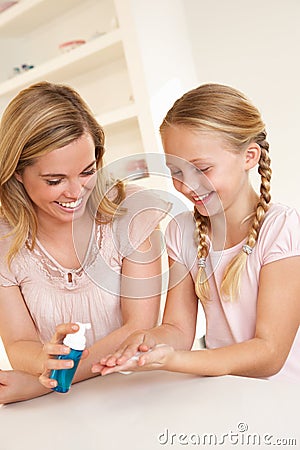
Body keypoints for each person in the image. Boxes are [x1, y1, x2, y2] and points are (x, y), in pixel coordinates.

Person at [96, 83, 300, 381]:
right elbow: (177, 329)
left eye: (202, 169)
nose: (187, 185)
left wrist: (176, 360)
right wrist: (149, 343)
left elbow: (269, 354)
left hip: (284, 401)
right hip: (228, 393)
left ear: (249, 157)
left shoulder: (282, 229)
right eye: (176, 171)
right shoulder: (181, 231)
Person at [0, 81, 170, 403]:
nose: (76, 192)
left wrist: (46, 381)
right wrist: (40, 361)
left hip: (135, 394)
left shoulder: (131, 213)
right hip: (58, 408)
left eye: (87, 171)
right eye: (55, 180)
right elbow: (20, 342)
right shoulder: (5, 241)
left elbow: (138, 327)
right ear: (18, 173)